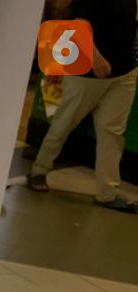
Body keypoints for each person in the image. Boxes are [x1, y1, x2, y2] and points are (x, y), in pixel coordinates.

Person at [28, 0, 138, 213]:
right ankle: (39, 170)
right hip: (87, 72)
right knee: (65, 121)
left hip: (125, 73)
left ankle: (107, 193)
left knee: (112, 133)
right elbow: (79, 25)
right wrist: (95, 59)